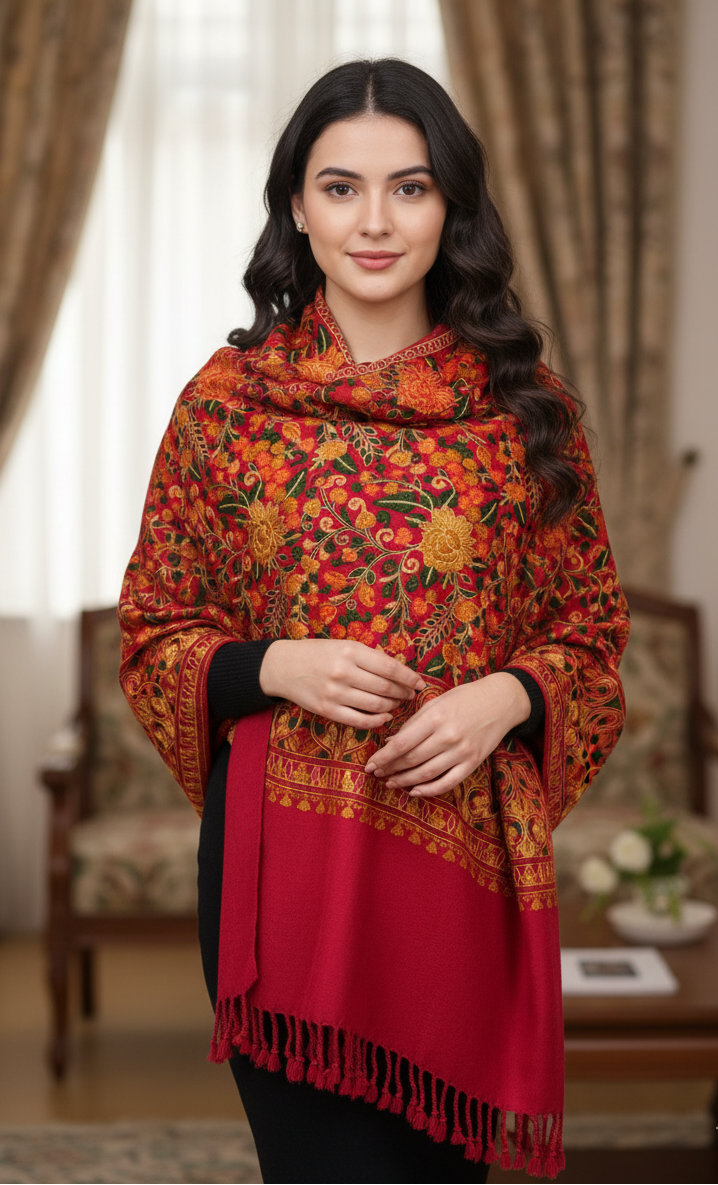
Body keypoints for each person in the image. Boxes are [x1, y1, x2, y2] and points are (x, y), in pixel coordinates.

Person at [119, 58, 629, 1185]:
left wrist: (507, 698)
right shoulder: (226, 403)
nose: (375, 220)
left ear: (451, 206)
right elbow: (154, 631)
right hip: (279, 875)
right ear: (296, 207)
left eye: (409, 186)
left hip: (458, 875)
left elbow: (589, 636)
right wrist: (276, 665)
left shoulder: (523, 409)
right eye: (340, 187)